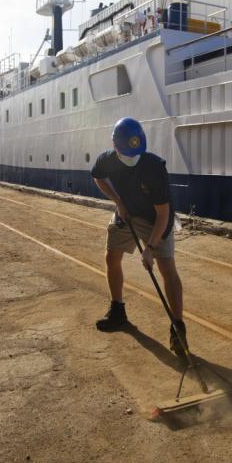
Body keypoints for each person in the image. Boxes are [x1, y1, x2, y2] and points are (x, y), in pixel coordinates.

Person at [90, 117, 188, 356]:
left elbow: (163, 214)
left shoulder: (153, 167)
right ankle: (118, 311)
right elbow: (98, 177)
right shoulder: (107, 160)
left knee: (167, 269)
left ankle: (178, 327)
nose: (132, 158)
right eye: (127, 154)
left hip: (156, 220)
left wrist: (150, 249)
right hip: (127, 213)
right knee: (112, 257)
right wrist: (118, 202)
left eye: (136, 153)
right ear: (115, 146)